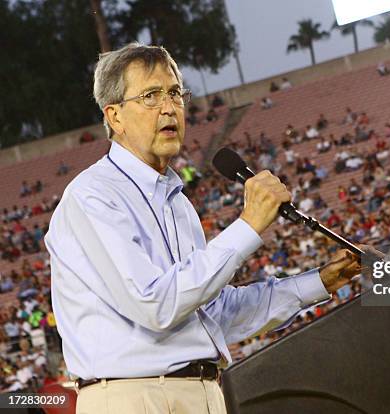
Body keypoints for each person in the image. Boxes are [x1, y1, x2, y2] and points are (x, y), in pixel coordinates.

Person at [45, 43, 363, 414]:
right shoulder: (92, 196)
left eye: (175, 93)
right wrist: (248, 226)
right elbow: (156, 305)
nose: (169, 107)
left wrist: (320, 281)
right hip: (133, 398)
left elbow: (214, 314)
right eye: (151, 96)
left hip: (203, 391)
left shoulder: (178, 203)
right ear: (114, 116)